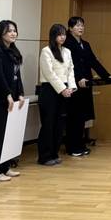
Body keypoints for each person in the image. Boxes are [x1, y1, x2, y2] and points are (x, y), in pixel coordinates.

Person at [63, 16, 111, 156]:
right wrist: (78, 78)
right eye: (77, 25)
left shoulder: (85, 44)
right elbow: (69, 65)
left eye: (82, 25)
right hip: (74, 84)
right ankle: (72, 147)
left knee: (82, 116)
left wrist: (106, 76)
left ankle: (80, 144)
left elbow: (93, 62)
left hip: (86, 84)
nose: (81, 28)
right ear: (70, 28)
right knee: (74, 116)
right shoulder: (67, 43)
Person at [0, 20, 25, 182]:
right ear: (1, 34)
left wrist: (20, 93)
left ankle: (5, 167)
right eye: (9, 31)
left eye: (15, 30)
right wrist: (7, 94)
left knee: (8, 136)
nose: (13, 33)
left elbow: (17, 76)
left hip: (12, 100)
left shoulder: (13, 51)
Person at [37, 24, 77, 166]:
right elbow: (49, 73)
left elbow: (71, 70)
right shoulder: (46, 51)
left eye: (64, 34)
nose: (62, 37)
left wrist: (71, 87)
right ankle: (44, 156)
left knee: (59, 124)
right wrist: (62, 89)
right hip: (49, 90)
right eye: (59, 34)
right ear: (53, 36)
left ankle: (54, 153)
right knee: (48, 123)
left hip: (64, 89)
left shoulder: (67, 51)